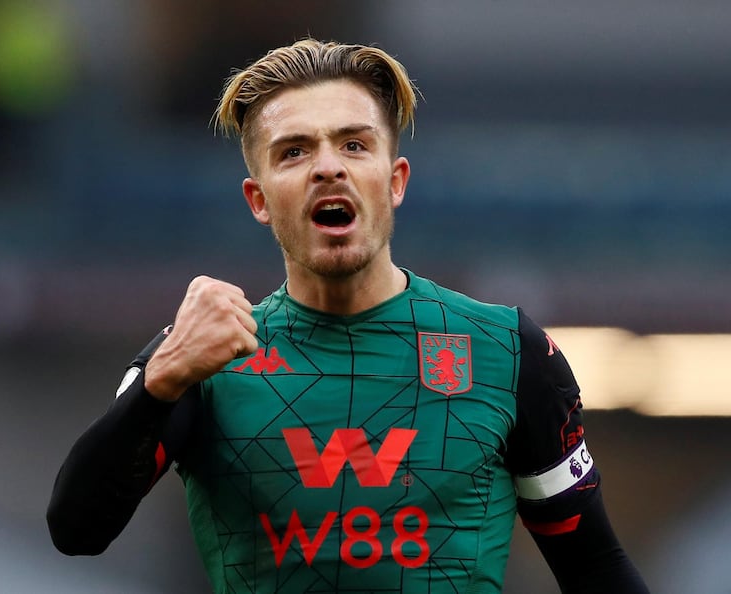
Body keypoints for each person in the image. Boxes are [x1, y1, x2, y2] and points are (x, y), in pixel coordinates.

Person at [47, 38, 650, 594]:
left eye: (354, 144)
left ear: (395, 182)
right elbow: (76, 531)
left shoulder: (505, 350)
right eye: (294, 152)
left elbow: (594, 566)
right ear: (258, 200)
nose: (328, 167)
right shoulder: (200, 359)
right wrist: (163, 375)